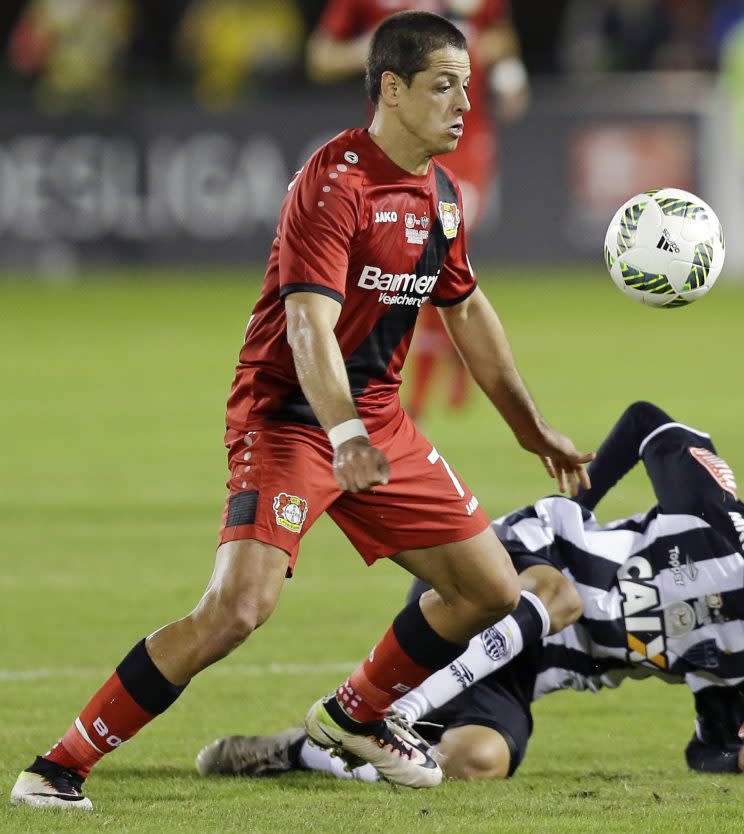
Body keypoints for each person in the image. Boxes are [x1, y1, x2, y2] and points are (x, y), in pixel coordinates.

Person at [10, 11, 591, 810]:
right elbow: (305, 324)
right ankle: (55, 766)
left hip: (375, 420)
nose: (463, 103)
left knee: (491, 590)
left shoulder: (441, 195)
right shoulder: (336, 180)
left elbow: (466, 310)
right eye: (443, 86)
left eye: (467, 85)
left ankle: (352, 718)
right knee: (236, 610)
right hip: (288, 418)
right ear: (391, 88)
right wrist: (344, 434)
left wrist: (529, 427)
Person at [196, 402, 744, 781]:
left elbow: (710, 752)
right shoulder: (718, 518)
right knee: (563, 596)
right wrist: (579, 508)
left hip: (518, 669)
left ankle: (301, 751)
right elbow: (650, 424)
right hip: (506, 568)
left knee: (476, 761)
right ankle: (374, 711)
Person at [306, 0, 530, 422]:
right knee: (403, 268)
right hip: (393, 148)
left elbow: (500, 37)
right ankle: (449, 369)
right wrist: (379, 51)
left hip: (464, 149)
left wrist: (507, 73)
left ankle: (417, 398)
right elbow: (320, 58)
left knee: (427, 262)